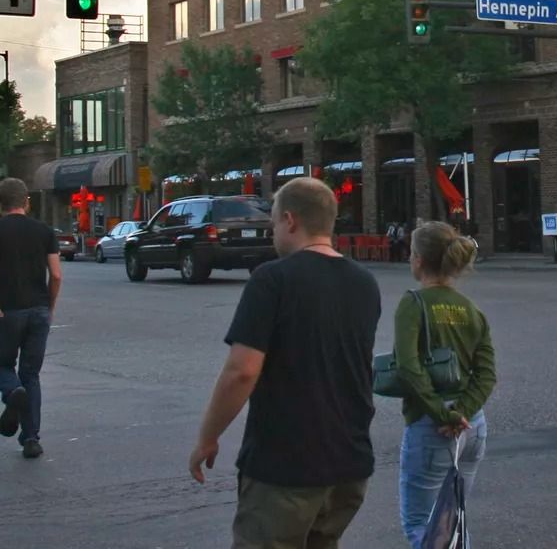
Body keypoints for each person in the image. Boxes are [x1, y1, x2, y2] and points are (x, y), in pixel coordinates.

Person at [190, 178, 380, 548]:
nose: (273, 231)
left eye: (273, 222)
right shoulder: (364, 282)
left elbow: (242, 372)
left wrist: (207, 438)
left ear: (290, 220)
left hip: (286, 467)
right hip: (349, 464)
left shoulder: (273, 279)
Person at [394, 221, 497, 548]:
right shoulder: (471, 310)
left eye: (411, 253)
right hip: (473, 426)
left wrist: (444, 414)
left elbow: (408, 368)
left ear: (419, 260)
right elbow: (486, 374)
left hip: (433, 427)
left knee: (423, 526)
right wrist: (463, 411)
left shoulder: (413, 303)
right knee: (453, 522)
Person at [0, 177, 61, 459]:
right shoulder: (44, 231)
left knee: (3, 365)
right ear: (27, 201)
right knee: (31, 374)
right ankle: (31, 438)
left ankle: (12, 392)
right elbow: (56, 274)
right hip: (39, 309)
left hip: (8, 309)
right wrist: (49, 306)